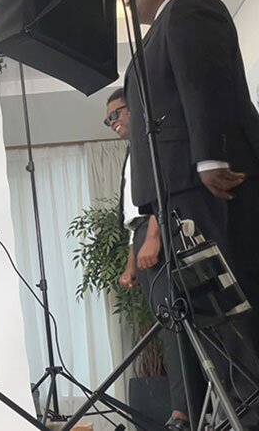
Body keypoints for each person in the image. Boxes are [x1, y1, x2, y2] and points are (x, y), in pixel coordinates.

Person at [127, 0, 259, 426]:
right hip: (178, 195)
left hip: (204, 186)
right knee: (215, 320)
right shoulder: (160, 29)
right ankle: (241, 410)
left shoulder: (189, 7)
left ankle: (251, 409)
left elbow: (203, 79)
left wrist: (210, 155)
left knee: (235, 309)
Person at [107, 89, 204, 431]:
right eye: (108, 119)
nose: (112, 122)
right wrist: (131, 262)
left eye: (116, 113)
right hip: (141, 235)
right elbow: (132, 212)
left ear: (134, 109)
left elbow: (162, 193)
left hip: (158, 231)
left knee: (174, 323)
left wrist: (153, 237)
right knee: (167, 324)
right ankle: (190, 410)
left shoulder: (153, 144)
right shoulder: (133, 152)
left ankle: (184, 413)